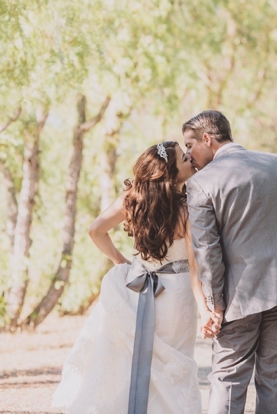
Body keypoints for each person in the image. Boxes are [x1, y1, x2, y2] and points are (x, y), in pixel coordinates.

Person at [52, 140, 217, 414]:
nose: (191, 159)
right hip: (176, 297)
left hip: (137, 287)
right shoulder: (187, 209)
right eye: (185, 159)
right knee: (173, 366)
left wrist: (120, 261)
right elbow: (195, 266)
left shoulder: (132, 200)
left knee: (136, 362)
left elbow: (95, 231)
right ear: (171, 174)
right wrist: (203, 309)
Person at [183, 110, 277, 414]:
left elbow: (208, 251)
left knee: (228, 378)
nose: (189, 154)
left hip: (239, 297)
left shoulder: (201, 183)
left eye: (190, 145)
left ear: (207, 139)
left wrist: (214, 305)